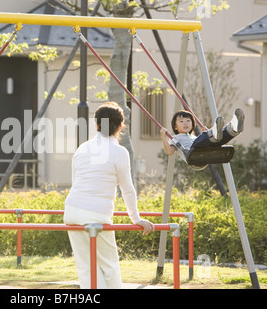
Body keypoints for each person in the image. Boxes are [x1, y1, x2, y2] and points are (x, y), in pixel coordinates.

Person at [63, 102, 154, 289]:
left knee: (86, 267)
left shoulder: (82, 149)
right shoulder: (120, 152)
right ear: (120, 126)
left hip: (72, 210)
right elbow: (127, 189)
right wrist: (136, 218)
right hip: (96, 214)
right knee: (109, 264)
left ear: (96, 124)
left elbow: (76, 182)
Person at [160, 109, 245, 162]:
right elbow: (170, 152)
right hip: (192, 155)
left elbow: (201, 142)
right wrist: (163, 137)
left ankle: (233, 129)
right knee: (203, 139)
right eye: (181, 121)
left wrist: (206, 136)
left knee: (218, 140)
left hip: (204, 153)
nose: (185, 123)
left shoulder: (194, 137)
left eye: (188, 121)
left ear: (192, 124)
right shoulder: (175, 138)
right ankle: (212, 134)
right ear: (175, 126)